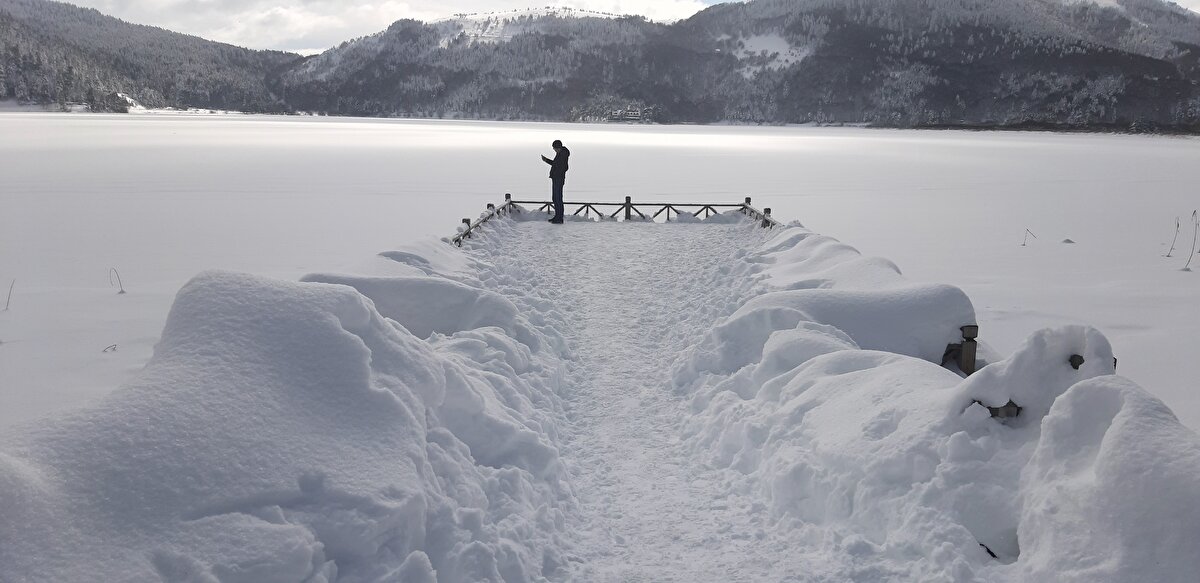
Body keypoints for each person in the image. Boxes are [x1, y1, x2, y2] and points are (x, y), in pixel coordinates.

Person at [541, 140, 570, 224]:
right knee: (555, 198)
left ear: (558, 148)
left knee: (558, 198)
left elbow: (564, 167)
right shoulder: (560, 154)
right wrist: (546, 160)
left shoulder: (563, 155)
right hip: (556, 178)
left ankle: (559, 218)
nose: (554, 150)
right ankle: (557, 216)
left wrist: (557, 173)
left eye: (554, 148)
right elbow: (555, 164)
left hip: (559, 178)